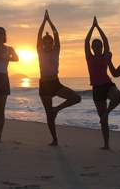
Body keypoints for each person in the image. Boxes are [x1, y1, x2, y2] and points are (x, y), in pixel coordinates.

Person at [37, 10, 81, 146]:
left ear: (52, 43)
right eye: (45, 42)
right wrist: (43, 22)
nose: (47, 44)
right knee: (49, 115)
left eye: (49, 42)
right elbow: (38, 35)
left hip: (55, 83)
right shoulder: (40, 51)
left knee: (76, 98)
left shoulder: (56, 50)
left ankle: (57, 109)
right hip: (44, 85)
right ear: (43, 43)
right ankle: (55, 139)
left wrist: (50, 21)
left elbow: (56, 35)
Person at [84, 16, 120, 150]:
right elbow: (86, 41)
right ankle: (106, 145)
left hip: (107, 84)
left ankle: (107, 112)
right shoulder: (89, 57)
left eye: (99, 45)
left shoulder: (106, 55)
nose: (98, 47)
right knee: (104, 122)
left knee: (118, 96)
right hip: (97, 88)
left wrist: (98, 27)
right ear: (93, 48)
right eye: (95, 46)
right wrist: (92, 27)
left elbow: (105, 40)